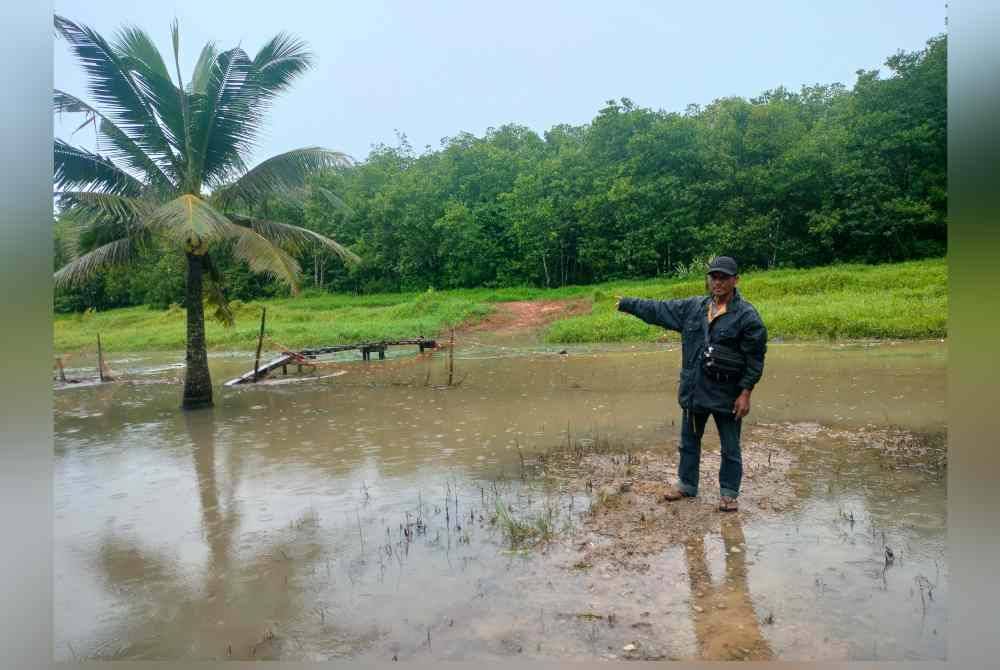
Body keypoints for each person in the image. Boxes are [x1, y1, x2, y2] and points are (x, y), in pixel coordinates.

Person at [616, 256, 767, 512]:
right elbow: (659, 310)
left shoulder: (747, 316)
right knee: (688, 442)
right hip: (695, 390)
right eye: (713, 277)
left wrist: (746, 393)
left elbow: (755, 358)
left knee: (730, 447)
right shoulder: (693, 308)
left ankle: (729, 493)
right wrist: (628, 304)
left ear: (735, 280)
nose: (717, 282)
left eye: (723, 277)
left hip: (727, 394)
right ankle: (687, 485)